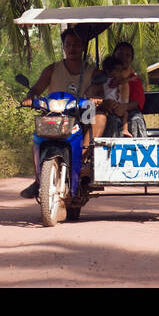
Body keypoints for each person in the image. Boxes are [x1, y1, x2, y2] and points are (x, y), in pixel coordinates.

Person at [18, 28, 99, 198]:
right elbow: (37, 88)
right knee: (36, 139)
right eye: (68, 44)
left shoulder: (92, 72)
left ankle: (83, 157)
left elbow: (97, 91)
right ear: (63, 47)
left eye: (76, 44)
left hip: (81, 114)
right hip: (55, 116)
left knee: (96, 118)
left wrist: (95, 98)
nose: (72, 48)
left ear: (83, 46)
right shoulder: (52, 69)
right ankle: (39, 179)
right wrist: (30, 98)